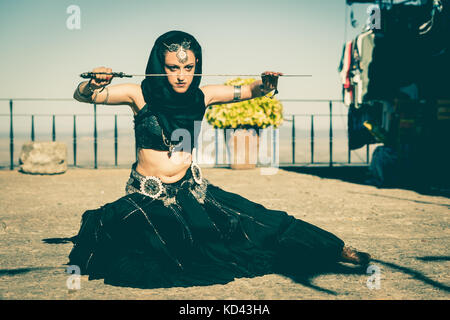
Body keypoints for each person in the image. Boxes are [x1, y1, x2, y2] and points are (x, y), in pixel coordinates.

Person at [69, 30, 370, 289]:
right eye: (172, 67)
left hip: (194, 192)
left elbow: (251, 91)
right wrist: (95, 83)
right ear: (160, 66)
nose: (181, 75)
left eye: (188, 67)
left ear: (196, 65)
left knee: (260, 220)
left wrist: (267, 84)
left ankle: (334, 249)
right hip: (150, 197)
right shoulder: (139, 94)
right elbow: (85, 96)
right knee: (166, 250)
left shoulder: (204, 95)